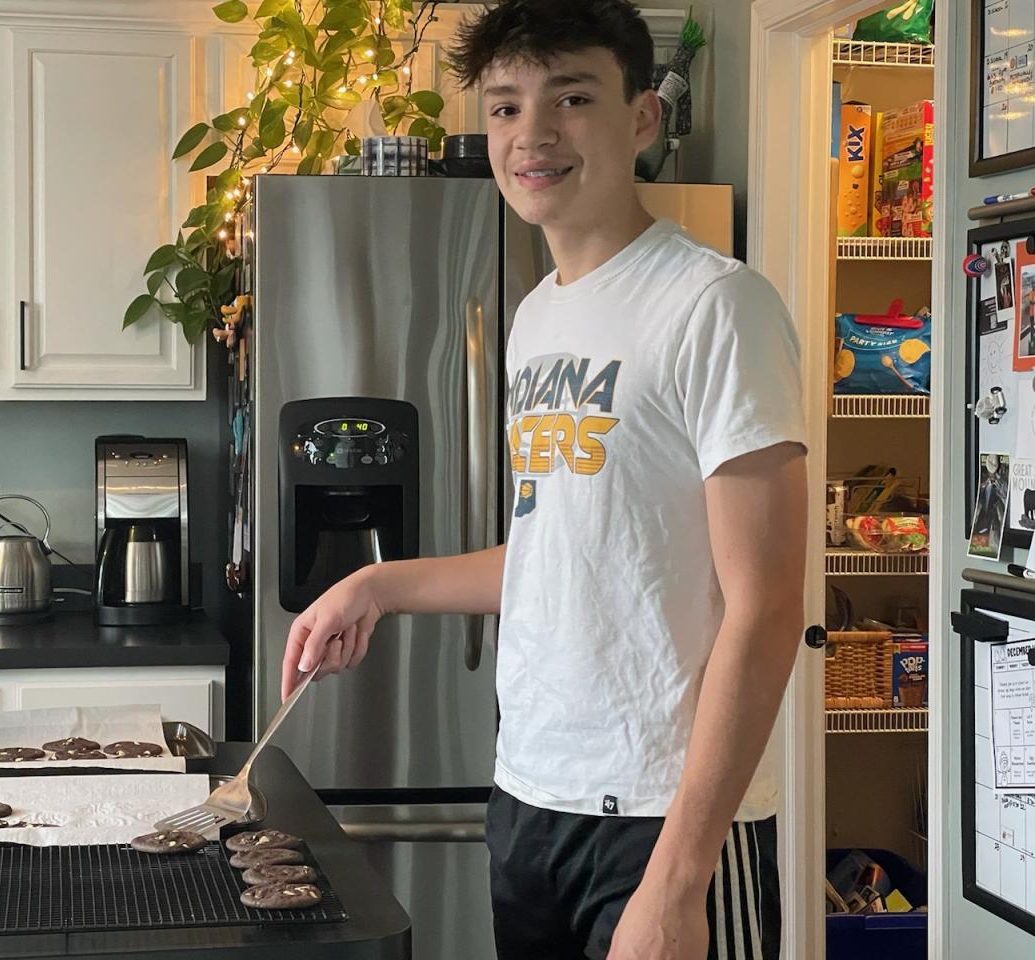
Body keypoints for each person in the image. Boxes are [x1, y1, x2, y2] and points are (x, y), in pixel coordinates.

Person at [280, 2, 808, 957]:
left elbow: (765, 605)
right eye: (506, 107)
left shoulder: (715, 305)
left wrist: (678, 881)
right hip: (530, 795)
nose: (533, 134)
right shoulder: (537, 319)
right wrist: (375, 584)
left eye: (571, 98)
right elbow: (560, 552)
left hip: (659, 814)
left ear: (642, 117)